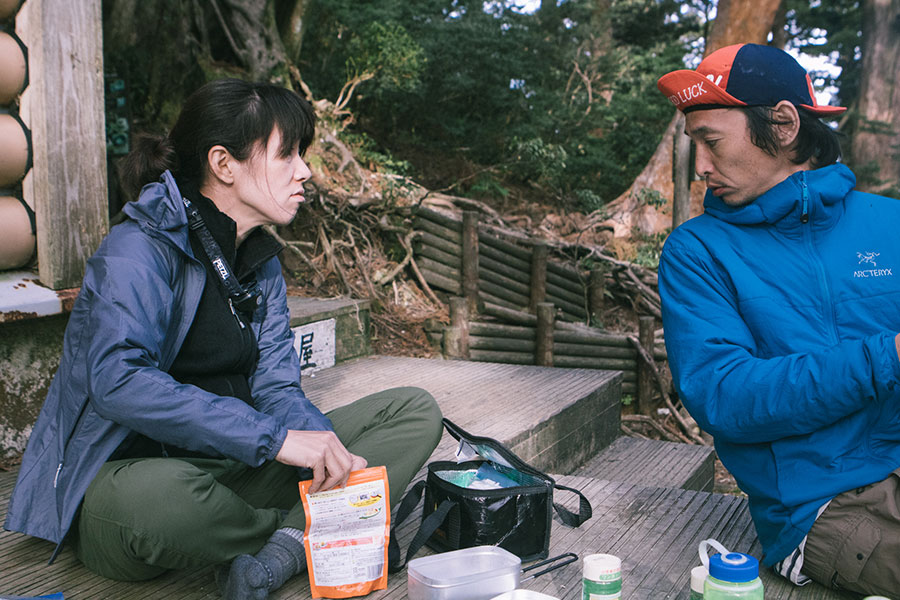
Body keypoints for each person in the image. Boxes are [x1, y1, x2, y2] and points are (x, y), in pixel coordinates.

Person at [3, 78, 443, 600]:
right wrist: (276, 441)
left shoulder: (259, 262)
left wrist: (317, 444)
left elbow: (277, 389)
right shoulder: (137, 249)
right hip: (131, 481)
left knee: (413, 409)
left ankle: (278, 546)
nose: (304, 172)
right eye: (288, 155)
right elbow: (117, 381)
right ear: (224, 163)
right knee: (162, 502)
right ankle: (312, 533)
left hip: (240, 467)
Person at [656, 43, 900, 596]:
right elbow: (725, 396)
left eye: (711, 142)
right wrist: (886, 359)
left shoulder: (889, 223)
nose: (700, 167)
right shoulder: (698, 252)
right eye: (695, 145)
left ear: (785, 125)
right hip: (823, 509)